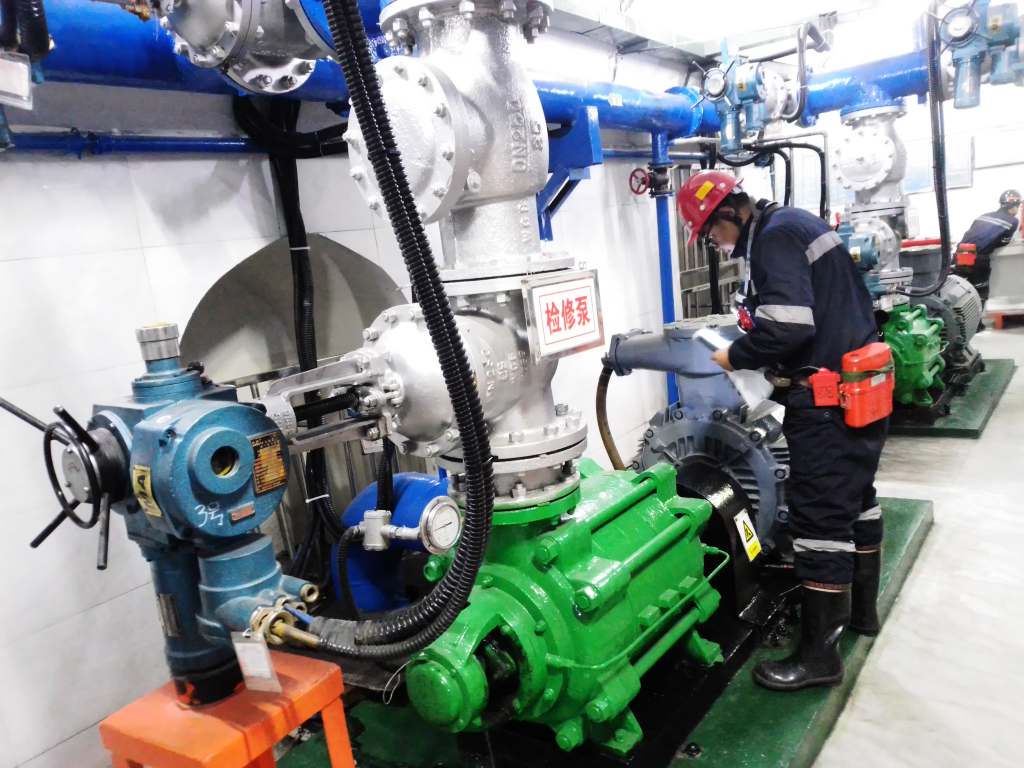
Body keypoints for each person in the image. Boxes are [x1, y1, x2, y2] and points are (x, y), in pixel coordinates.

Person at [677, 170, 887, 692]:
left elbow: (790, 326)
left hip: (826, 403)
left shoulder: (773, 238)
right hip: (862, 389)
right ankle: (862, 614)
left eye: (713, 232)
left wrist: (736, 356)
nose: (717, 243)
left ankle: (819, 658)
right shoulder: (794, 223)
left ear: (730, 212)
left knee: (819, 521)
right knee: (857, 500)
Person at [956, 189, 1021, 303]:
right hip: (978, 258)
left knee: (961, 290)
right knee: (980, 292)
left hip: (961, 253)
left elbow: (971, 233)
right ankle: (978, 313)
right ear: (1014, 206)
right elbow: (1003, 242)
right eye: (1018, 205)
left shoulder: (984, 216)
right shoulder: (1013, 221)